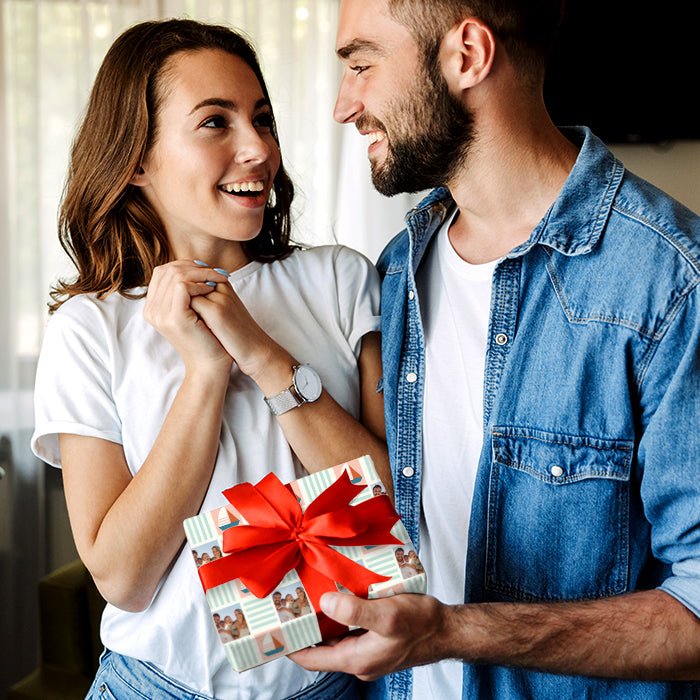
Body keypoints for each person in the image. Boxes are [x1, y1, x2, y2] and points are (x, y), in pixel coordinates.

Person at [292, 0, 700, 698]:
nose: (343, 105)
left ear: (468, 56)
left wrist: (452, 632)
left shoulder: (669, 283)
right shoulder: (398, 270)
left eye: (361, 65)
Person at [31, 17, 391, 700]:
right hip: (153, 686)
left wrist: (261, 355)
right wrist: (205, 373)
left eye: (262, 119)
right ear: (135, 160)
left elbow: (397, 506)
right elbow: (123, 579)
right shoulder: (90, 328)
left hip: (335, 686)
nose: (258, 149)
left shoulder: (341, 282)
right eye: (215, 123)